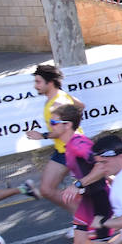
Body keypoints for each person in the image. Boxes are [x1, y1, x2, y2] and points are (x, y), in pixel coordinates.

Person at [51, 102, 122, 244]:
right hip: (87, 200)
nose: (51, 126)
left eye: (54, 122)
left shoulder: (78, 144)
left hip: (98, 200)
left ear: (66, 125)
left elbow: (101, 164)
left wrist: (78, 184)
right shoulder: (70, 144)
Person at [24, 63, 85, 210]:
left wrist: (42, 135)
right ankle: (82, 220)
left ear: (49, 83)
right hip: (62, 150)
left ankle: (85, 221)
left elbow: (60, 131)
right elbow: (81, 106)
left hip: (72, 150)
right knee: (46, 190)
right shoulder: (60, 95)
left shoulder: (57, 103)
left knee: (49, 190)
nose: (35, 86)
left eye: (38, 82)